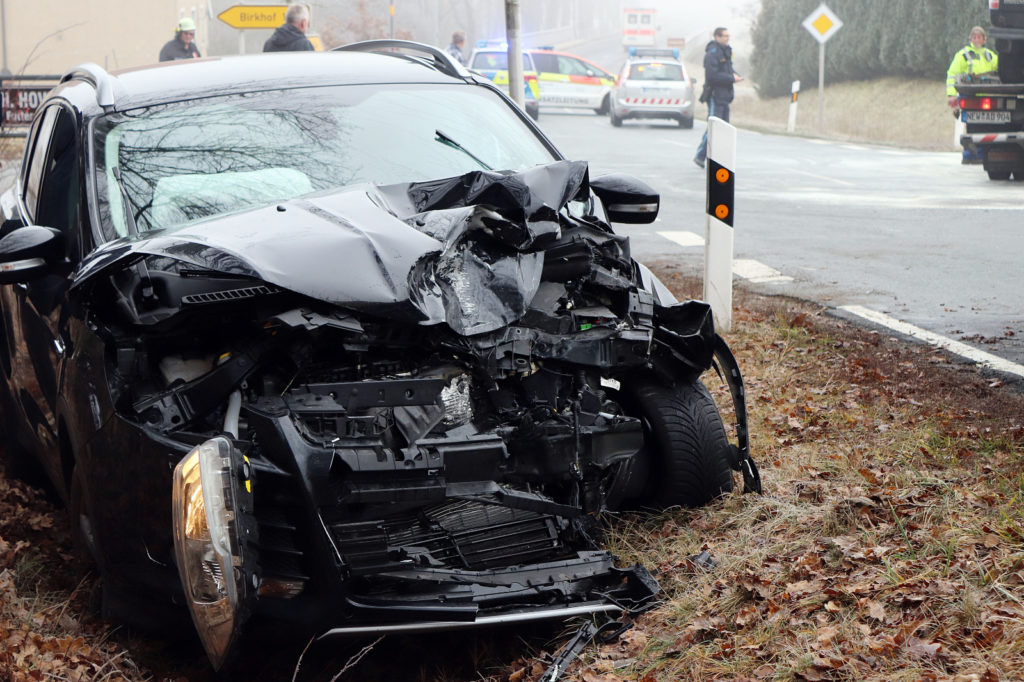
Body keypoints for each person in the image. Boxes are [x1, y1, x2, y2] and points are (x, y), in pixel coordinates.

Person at [693, 27, 743, 169]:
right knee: (714, 127)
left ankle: (720, 159)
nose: (728, 38)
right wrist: (731, 78)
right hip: (715, 95)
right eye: (725, 36)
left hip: (725, 95)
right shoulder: (712, 53)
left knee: (724, 129)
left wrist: (735, 76)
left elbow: (728, 70)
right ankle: (700, 156)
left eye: (728, 35)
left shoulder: (725, 51)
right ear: (717, 36)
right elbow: (712, 75)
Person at [946, 26, 998, 109]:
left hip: (987, 95)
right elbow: (952, 74)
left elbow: (1001, 69)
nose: (976, 40)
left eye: (979, 37)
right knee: (961, 120)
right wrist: (951, 94)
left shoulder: (990, 55)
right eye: (974, 37)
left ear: (984, 40)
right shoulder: (963, 55)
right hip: (968, 95)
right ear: (970, 40)